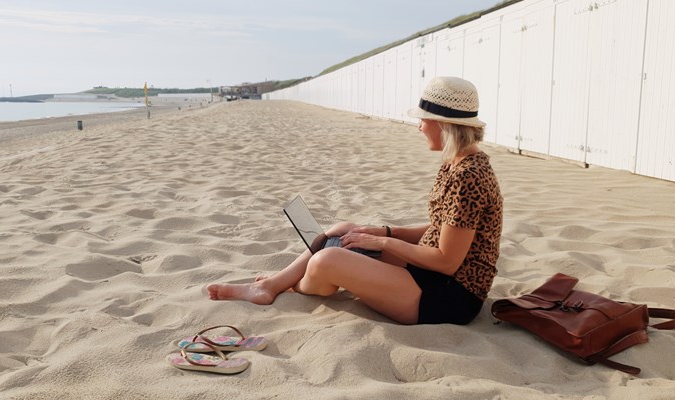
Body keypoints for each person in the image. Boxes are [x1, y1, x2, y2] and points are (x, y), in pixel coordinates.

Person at [207, 76, 503, 325]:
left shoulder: (469, 176)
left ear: (442, 125)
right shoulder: (456, 163)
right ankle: (274, 284)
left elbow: (448, 261)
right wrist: (384, 232)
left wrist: (384, 244)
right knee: (344, 230)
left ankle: (289, 286)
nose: (419, 127)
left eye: (423, 120)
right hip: (429, 274)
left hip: (449, 296)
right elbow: (442, 229)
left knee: (327, 260)